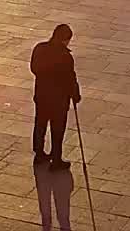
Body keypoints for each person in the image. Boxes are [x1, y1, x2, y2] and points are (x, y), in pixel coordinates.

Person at [29, 23, 81, 168]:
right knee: (57, 129)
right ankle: (56, 159)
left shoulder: (40, 49)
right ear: (65, 39)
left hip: (41, 96)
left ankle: (39, 154)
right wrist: (75, 95)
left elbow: (34, 69)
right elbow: (71, 79)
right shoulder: (65, 57)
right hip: (59, 100)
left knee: (40, 124)